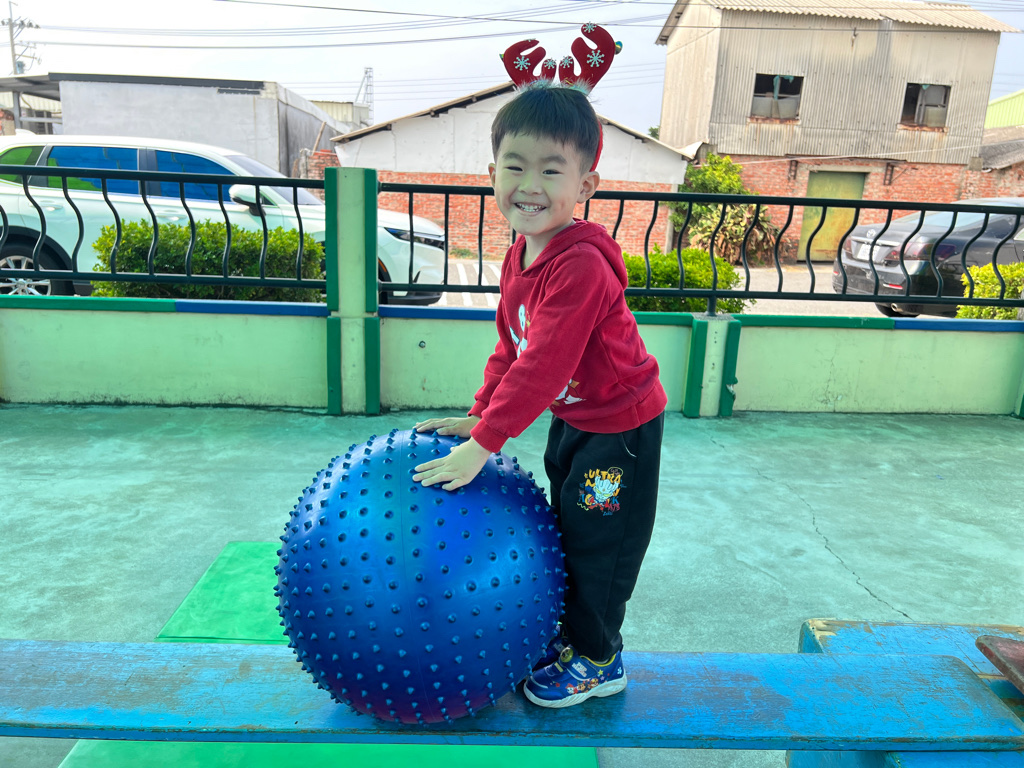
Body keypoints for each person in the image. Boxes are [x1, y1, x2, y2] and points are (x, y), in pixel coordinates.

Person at [412, 82, 666, 710]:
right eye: (515, 166)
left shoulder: (580, 266)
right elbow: (513, 348)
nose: (530, 185)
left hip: (620, 429)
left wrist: (484, 444)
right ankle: (572, 637)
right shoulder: (521, 255)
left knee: (599, 544)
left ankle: (599, 659)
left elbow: (545, 367)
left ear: (586, 186)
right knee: (568, 529)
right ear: (491, 173)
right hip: (574, 418)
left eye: (551, 170)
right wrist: (479, 413)